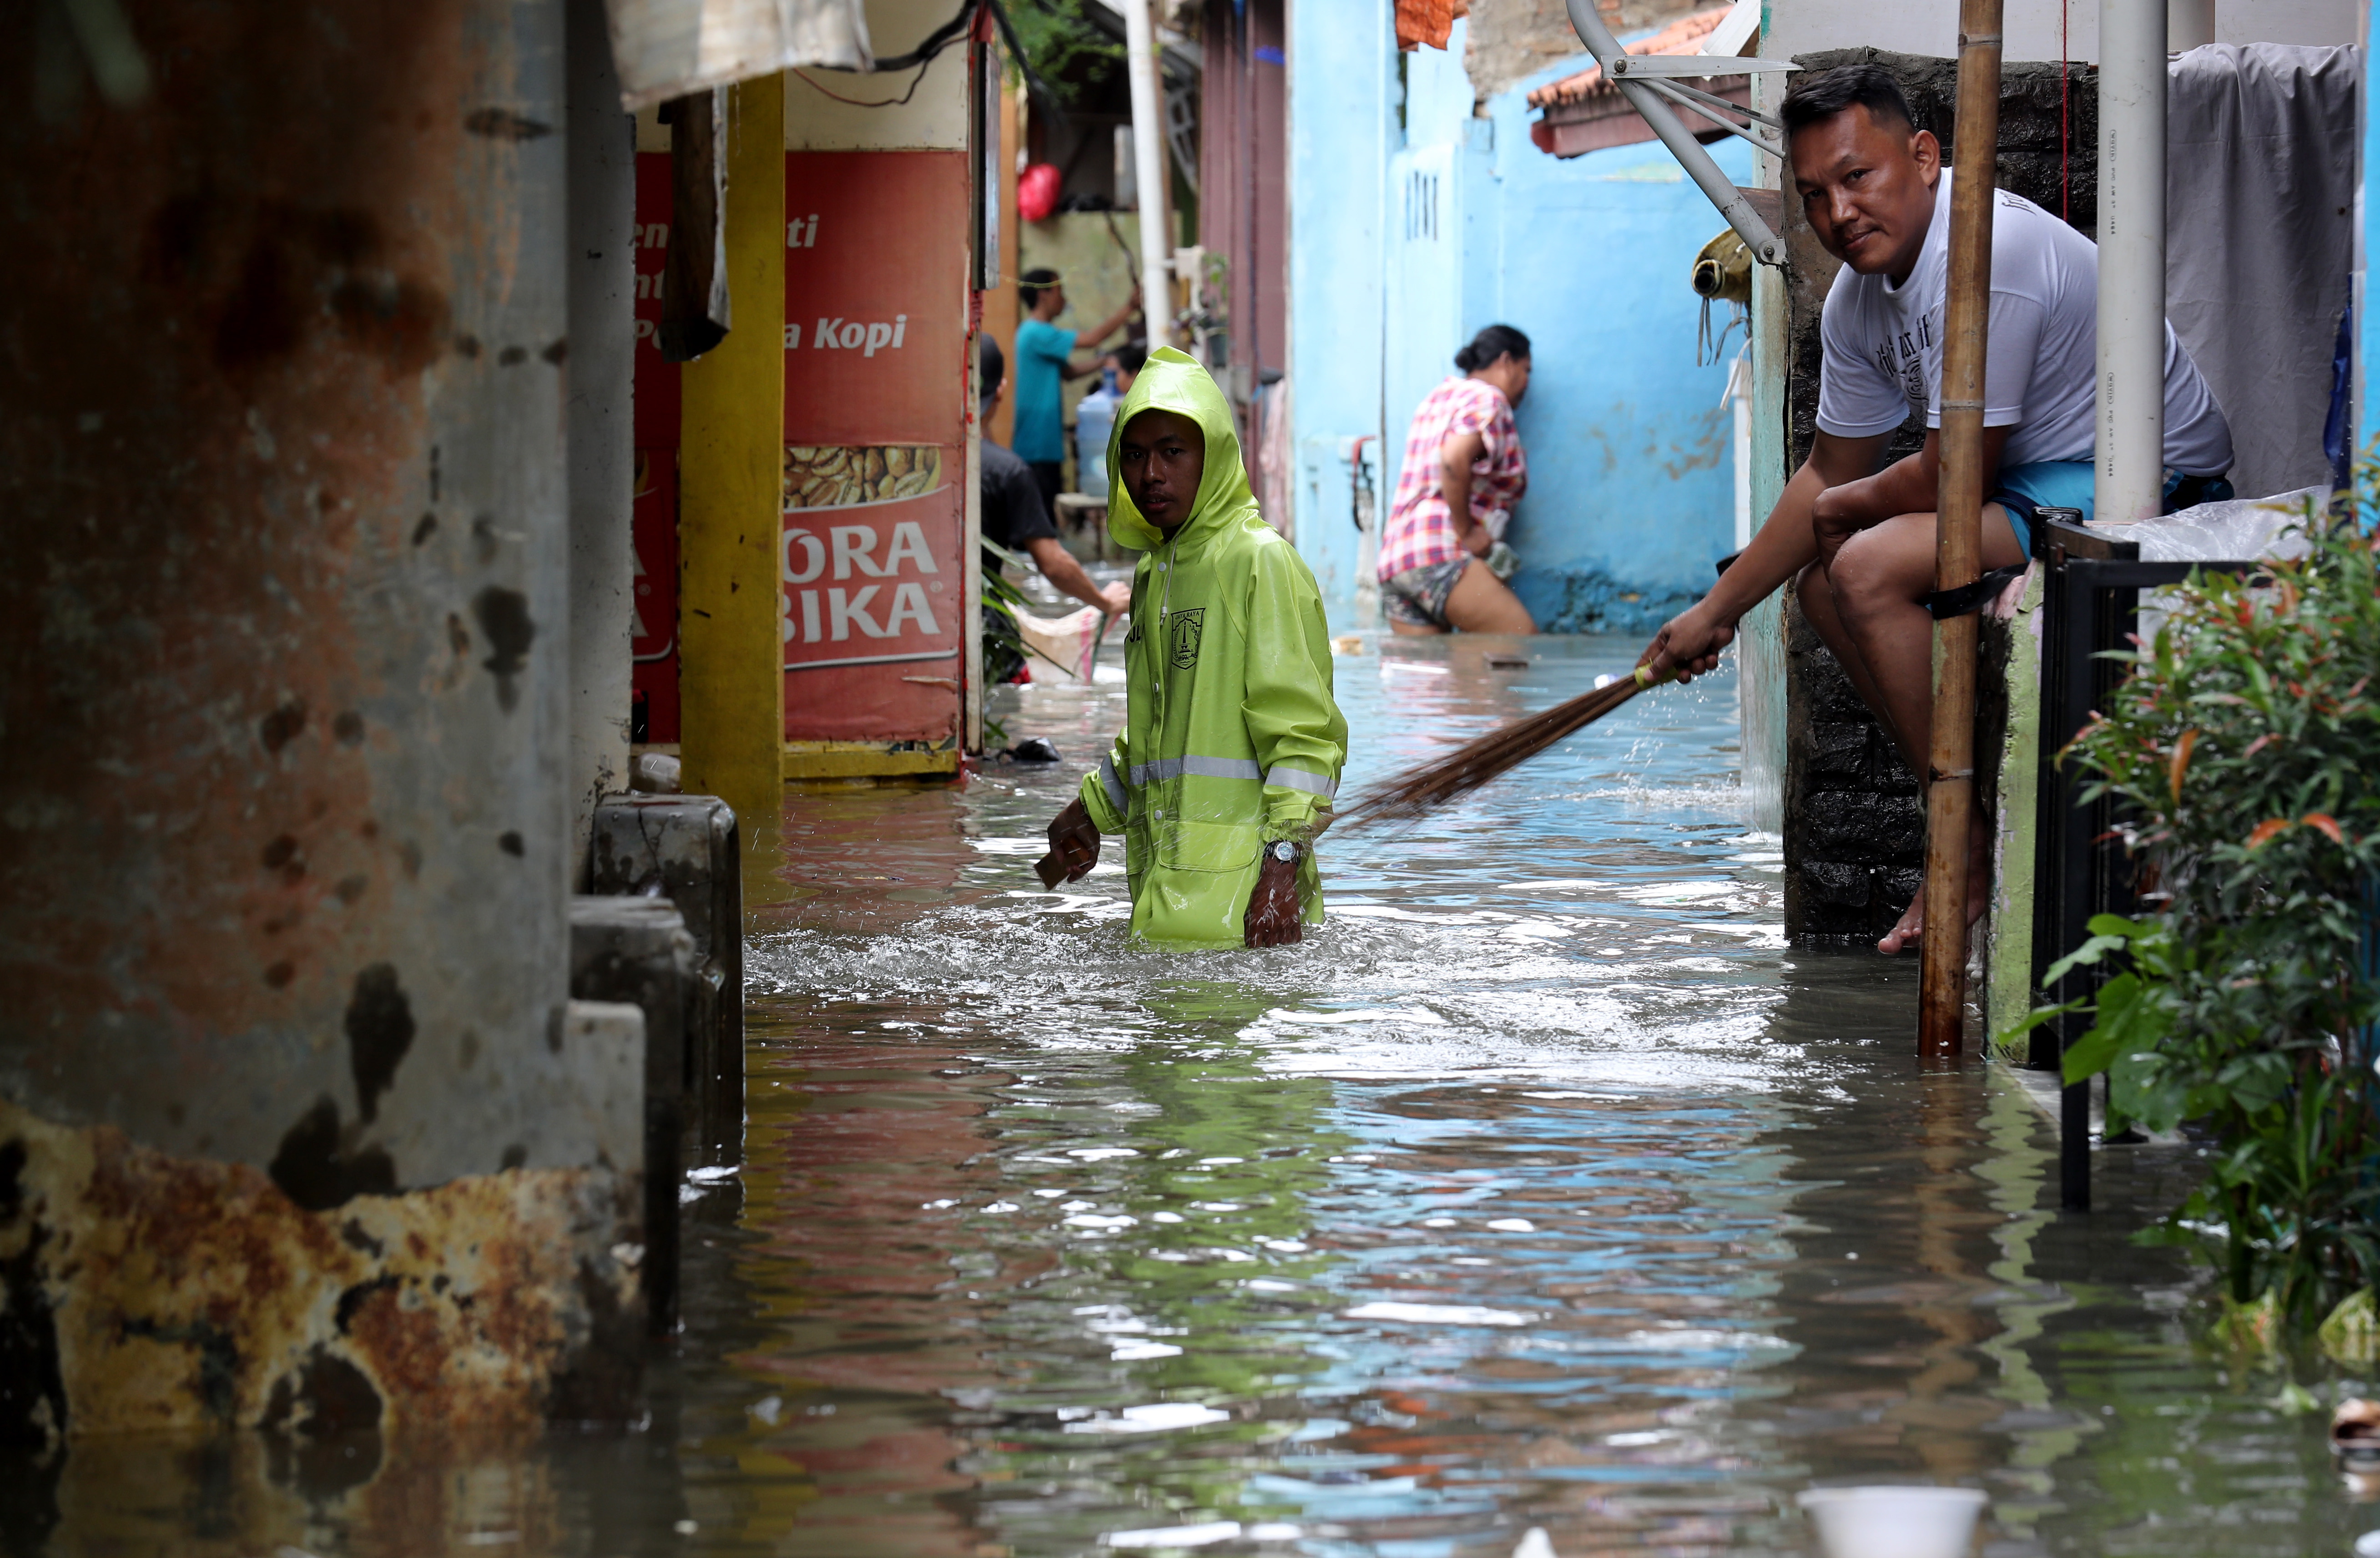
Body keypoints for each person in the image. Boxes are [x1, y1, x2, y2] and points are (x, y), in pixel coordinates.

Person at [1639, 63, 2233, 955]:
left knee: (1864, 565)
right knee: (1820, 589)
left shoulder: (1992, 251)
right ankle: (1960, 821)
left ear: (1923, 156)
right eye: (1812, 194)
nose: (1837, 212)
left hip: (2147, 484)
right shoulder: (1855, 302)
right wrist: (1714, 613)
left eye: (1857, 176)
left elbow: (1951, 472)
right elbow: (1824, 478)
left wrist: (1854, 506)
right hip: (2025, 487)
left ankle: (1959, 845)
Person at [1044, 349, 1348, 949]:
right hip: (1167, 912)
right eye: (1134, 454)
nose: (1151, 473)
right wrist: (1091, 810)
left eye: (1173, 451)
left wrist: (1282, 864)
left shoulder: (1260, 561)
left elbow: (1305, 738)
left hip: (1246, 919)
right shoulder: (1156, 573)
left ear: (1214, 457)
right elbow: (1160, 739)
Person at [978, 337, 1131, 680]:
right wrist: (1105, 603)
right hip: (985, 636)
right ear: (1001, 391)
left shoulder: (925, 465)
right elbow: (1053, 563)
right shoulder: (1006, 472)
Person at [1377, 324, 1538, 635]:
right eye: (1526, 370)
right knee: (1520, 648)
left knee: (1433, 678)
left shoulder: (1436, 400)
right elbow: (1454, 459)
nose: (1527, 383)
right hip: (1440, 552)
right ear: (1506, 361)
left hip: (1397, 562)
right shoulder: (1489, 399)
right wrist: (1468, 532)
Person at [1014, 268, 1141, 516]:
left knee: (1045, 507)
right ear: (1044, 296)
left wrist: (1105, 361)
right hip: (1037, 438)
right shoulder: (1037, 332)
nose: (1065, 299)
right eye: (1059, 292)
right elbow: (1092, 339)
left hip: (1043, 438)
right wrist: (1129, 309)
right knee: (1041, 512)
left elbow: (1069, 373)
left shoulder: (1035, 335)